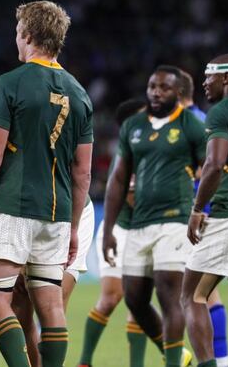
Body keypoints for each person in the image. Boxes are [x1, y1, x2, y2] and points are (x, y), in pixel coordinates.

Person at [0, 0, 93, 367]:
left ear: (29, 35)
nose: (16, 39)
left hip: (14, 207)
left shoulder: (11, 83)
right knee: (51, 308)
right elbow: (83, 172)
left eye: (18, 33)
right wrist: (75, 228)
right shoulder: (80, 94)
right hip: (58, 213)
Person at [0, 131, 95, 367]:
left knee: (50, 300)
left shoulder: (5, 160)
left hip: (70, 212)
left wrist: (21, 263)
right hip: (27, 215)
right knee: (20, 305)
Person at [102, 65, 203, 367]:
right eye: (152, 87)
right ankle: (178, 357)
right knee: (134, 298)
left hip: (174, 221)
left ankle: (173, 362)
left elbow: (211, 167)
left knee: (169, 295)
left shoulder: (190, 125)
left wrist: (199, 208)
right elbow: (118, 179)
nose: (156, 92)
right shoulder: (133, 126)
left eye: (164, 87)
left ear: (178, 92)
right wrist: (108, 229)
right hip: (139, 223)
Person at [181, 54, 228, 367]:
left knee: (192, 295)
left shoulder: (221, 112)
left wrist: (197, 209)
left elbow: (214, 164)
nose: (204, 82)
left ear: (225, 78)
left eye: (208, 76)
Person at [77, 98, 151, 367]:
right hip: (118, 231)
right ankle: (84, 361)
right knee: (111, 298)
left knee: (139, 304)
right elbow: (131, 197)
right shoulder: (127, 151)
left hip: (145, 233)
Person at [179, 68, 228, 367]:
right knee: (206, 293)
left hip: (197, 216)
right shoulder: (204, 119)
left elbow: (210, 167)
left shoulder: (193, 124)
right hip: (215, 213)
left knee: (196, 295)